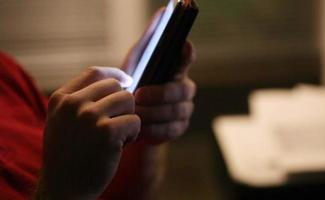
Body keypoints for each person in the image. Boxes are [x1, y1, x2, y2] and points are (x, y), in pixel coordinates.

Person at [0, 14, 196, 199]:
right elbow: (71, 185)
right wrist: (60, 192)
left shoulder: (5, 72)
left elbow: (122, 193)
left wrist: (139, 130)